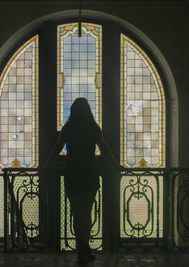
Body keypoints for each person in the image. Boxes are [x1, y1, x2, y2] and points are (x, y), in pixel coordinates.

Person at [44, 97, 118, 265]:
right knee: (86, 213)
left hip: (73, 175)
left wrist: (47, 164)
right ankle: (84, 247)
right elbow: (104, 147)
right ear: (87, 110)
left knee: (78, 214)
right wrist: (115, 164)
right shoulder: (93, 128)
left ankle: (82, 249)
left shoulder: (69, 128)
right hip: (90, 174)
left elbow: (57, 147)